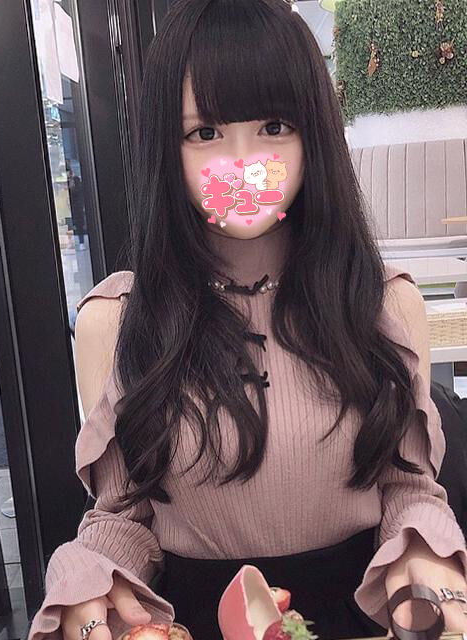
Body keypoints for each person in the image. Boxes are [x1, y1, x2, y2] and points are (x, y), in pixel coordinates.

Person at [27, 1, 467, 639]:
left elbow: (409, 488)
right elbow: (123, 517)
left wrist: (426, 562)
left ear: (313, 137)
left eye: (274, 126)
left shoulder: (382, 303)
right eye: (205, 133)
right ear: (166, 147)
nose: (243, 162)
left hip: (363, 620)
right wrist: (92, 589)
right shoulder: (117, 320)